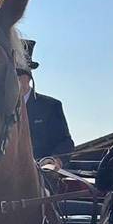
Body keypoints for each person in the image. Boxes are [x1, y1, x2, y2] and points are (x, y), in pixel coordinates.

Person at [19, 39, 75, 169]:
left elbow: (65, 142)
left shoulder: (50, 106)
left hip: (43, 176)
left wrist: (55, 160)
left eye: (19, 73)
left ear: (29, 75)